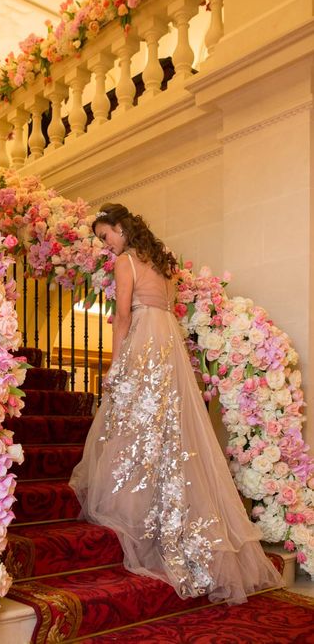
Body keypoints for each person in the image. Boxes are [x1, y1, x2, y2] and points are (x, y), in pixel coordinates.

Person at [69, 203, 283, 604]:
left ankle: (138, 513)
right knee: (167, 431)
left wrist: (116, 365)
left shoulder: (126, 263)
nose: (106, 244)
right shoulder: (161, 264)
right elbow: (163, 310)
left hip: (145, 345)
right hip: (168, 346)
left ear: (121, 228)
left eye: (106, 235)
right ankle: (164, 511)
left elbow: (122, 318)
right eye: (101, 239)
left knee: (135, 427)